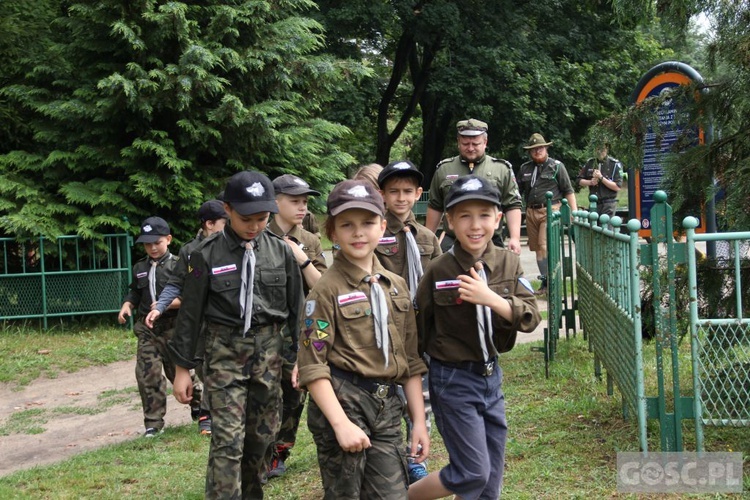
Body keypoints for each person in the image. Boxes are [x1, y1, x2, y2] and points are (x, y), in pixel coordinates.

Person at [167, 171, 304, 499]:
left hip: (269, 355)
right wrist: (182, 370)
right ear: (227, 209)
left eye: (262, 218)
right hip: (225, 353)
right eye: (247, 218)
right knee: (227, 441)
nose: (255, 226)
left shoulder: (281, 252)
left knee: (261, 439)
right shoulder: (204, 255)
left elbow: (299, 312)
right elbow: (190, 314)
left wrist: (303, 357)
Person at [410, 175, 541, 499]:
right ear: (450, 221)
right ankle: (405, 495)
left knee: (490, 479)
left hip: (490, 377)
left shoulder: (509, 263)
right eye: (464, 216)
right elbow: (417, 328)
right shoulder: (439, 269)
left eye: (484, 215)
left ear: (498, 218)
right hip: (452, 379)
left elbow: (531, 315)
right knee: (471, 472)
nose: (475, 225)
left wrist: (491, 298)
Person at [296, 179, 429, 498]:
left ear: (383, 226)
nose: (358, 232)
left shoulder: (396, 286)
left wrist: (419, 421)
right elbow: (312, 365)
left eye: (368, 222)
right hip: (344, 404)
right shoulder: (325, 291)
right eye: (347, 224)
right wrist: (340, 424)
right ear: (332, 232)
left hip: (386, 407)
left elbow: (410, 361)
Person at [375, 160, 441, 484]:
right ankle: (389, 452)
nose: (400, 198)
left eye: (407, 191)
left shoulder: (427, 237)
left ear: (418, 194)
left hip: (421, 330)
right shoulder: (373, 233)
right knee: (391, 395)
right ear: (382, 194)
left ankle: (416, 457)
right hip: (386, 328)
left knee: (422, 397)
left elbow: (440, 278)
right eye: (393, 192)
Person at [145, 199, 229, 435]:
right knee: (205, 370)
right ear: (210, 224)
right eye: (226, 222)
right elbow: (176, 283)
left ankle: (211, 415)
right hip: (201, 325)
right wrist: (160, 306)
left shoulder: (235, 246)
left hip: (228, 324)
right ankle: (208, 412)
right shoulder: (191, 251)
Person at [265, 173, 328, 478]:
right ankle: (259, 452)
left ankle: (280, 451)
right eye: (294, 201)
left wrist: (302, 258)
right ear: (274, 203)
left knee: (295, 393)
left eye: (305, 201)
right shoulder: (258, 236)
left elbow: (323, 287)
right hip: (265, 327)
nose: (302, 207)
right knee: (263, 392)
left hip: (301, 326)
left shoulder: (310, 240)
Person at [117, 216, 181, 437]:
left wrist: (169, 304)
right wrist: (127, 305)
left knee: (180, 374)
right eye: (147, 243)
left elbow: (192, 297)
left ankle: (200, 409)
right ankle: (153, 423)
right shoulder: (140, 267)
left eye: (157, 242)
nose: (153, 247)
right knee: (147, 374)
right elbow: (135, 291)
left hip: (173, 328)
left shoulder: (179, 265)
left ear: (169, 240)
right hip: (147, 329)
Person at [425, 118, 523, 253]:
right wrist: (427, 239)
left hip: (490, 241)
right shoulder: (444, 169)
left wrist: (515, 238)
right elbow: (435, 206)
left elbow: (512, 205)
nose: (470, 148)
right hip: (452, 242)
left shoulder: (501, 169)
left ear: (485, 142)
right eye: (465, 144)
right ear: (458, 142)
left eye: (475, 144)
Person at [517, 133, 578, 295]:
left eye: (540, 148)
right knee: (537, 248)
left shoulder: (556, 166)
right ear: (529, 152)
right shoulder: (525, 168)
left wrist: (574, 212)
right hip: (531, 211)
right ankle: (545, 282)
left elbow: (568, 190)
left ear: (546, 149)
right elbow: (517, 191)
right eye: (534, 149)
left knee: (544, 245)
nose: (537, 151)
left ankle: (551, 282)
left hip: (551, 210)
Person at [576, 143, 623, 218]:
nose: (600, 151)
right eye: (597, 149)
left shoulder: (614, 164)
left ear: (607, 149)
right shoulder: (590, 163)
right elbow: (579, 180)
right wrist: (590, 182)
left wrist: (601, 178)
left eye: (602, 149)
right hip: (593, 204)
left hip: (608, 203)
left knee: (606, 228)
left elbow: (617, 187)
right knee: (593, 228)